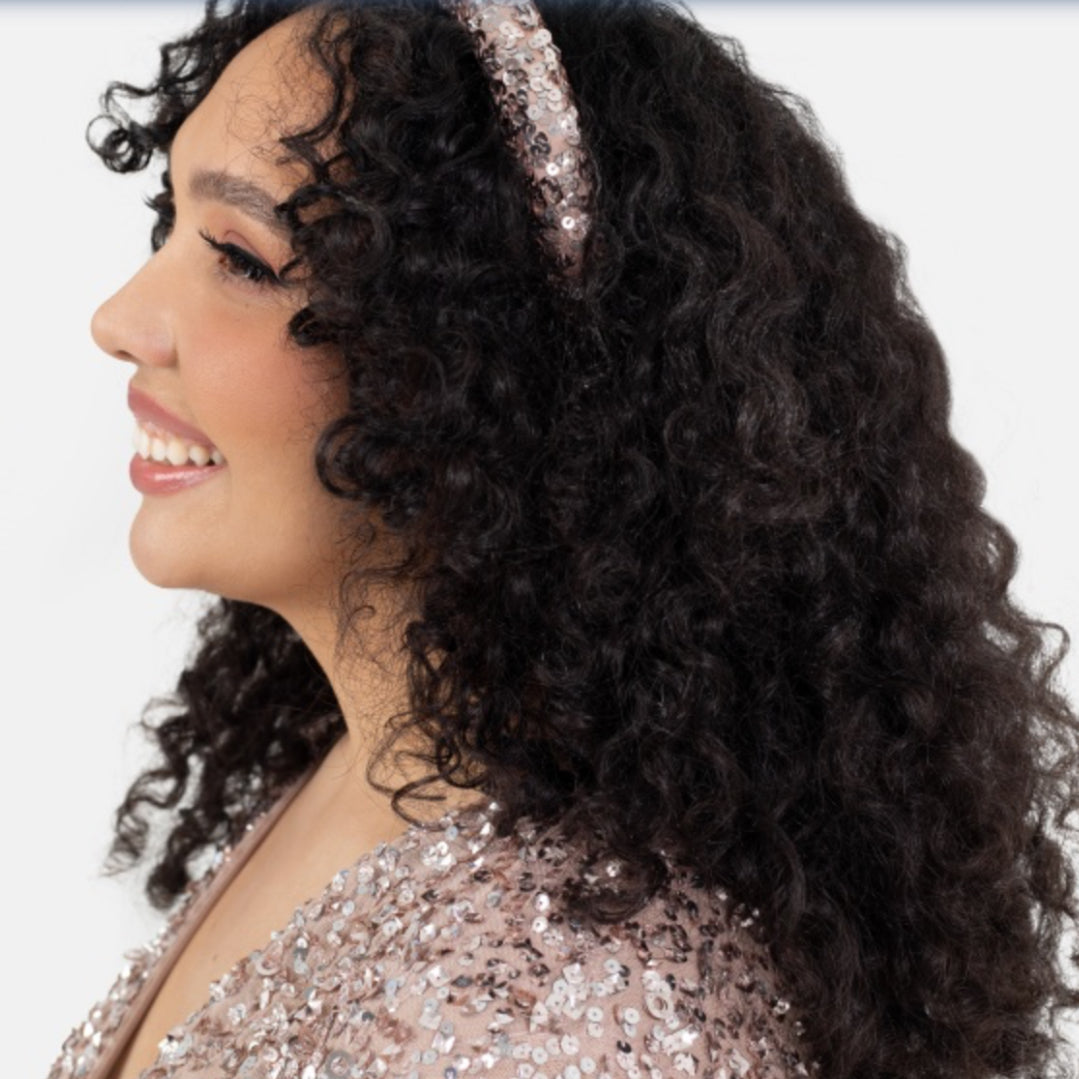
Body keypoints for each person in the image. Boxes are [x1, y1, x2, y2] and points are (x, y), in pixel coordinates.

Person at [46, 1, 1079, 1077]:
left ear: (471, 359)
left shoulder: (559, 1011)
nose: (120, 317)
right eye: (167, 222)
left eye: (240, 257)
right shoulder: (364, 766)